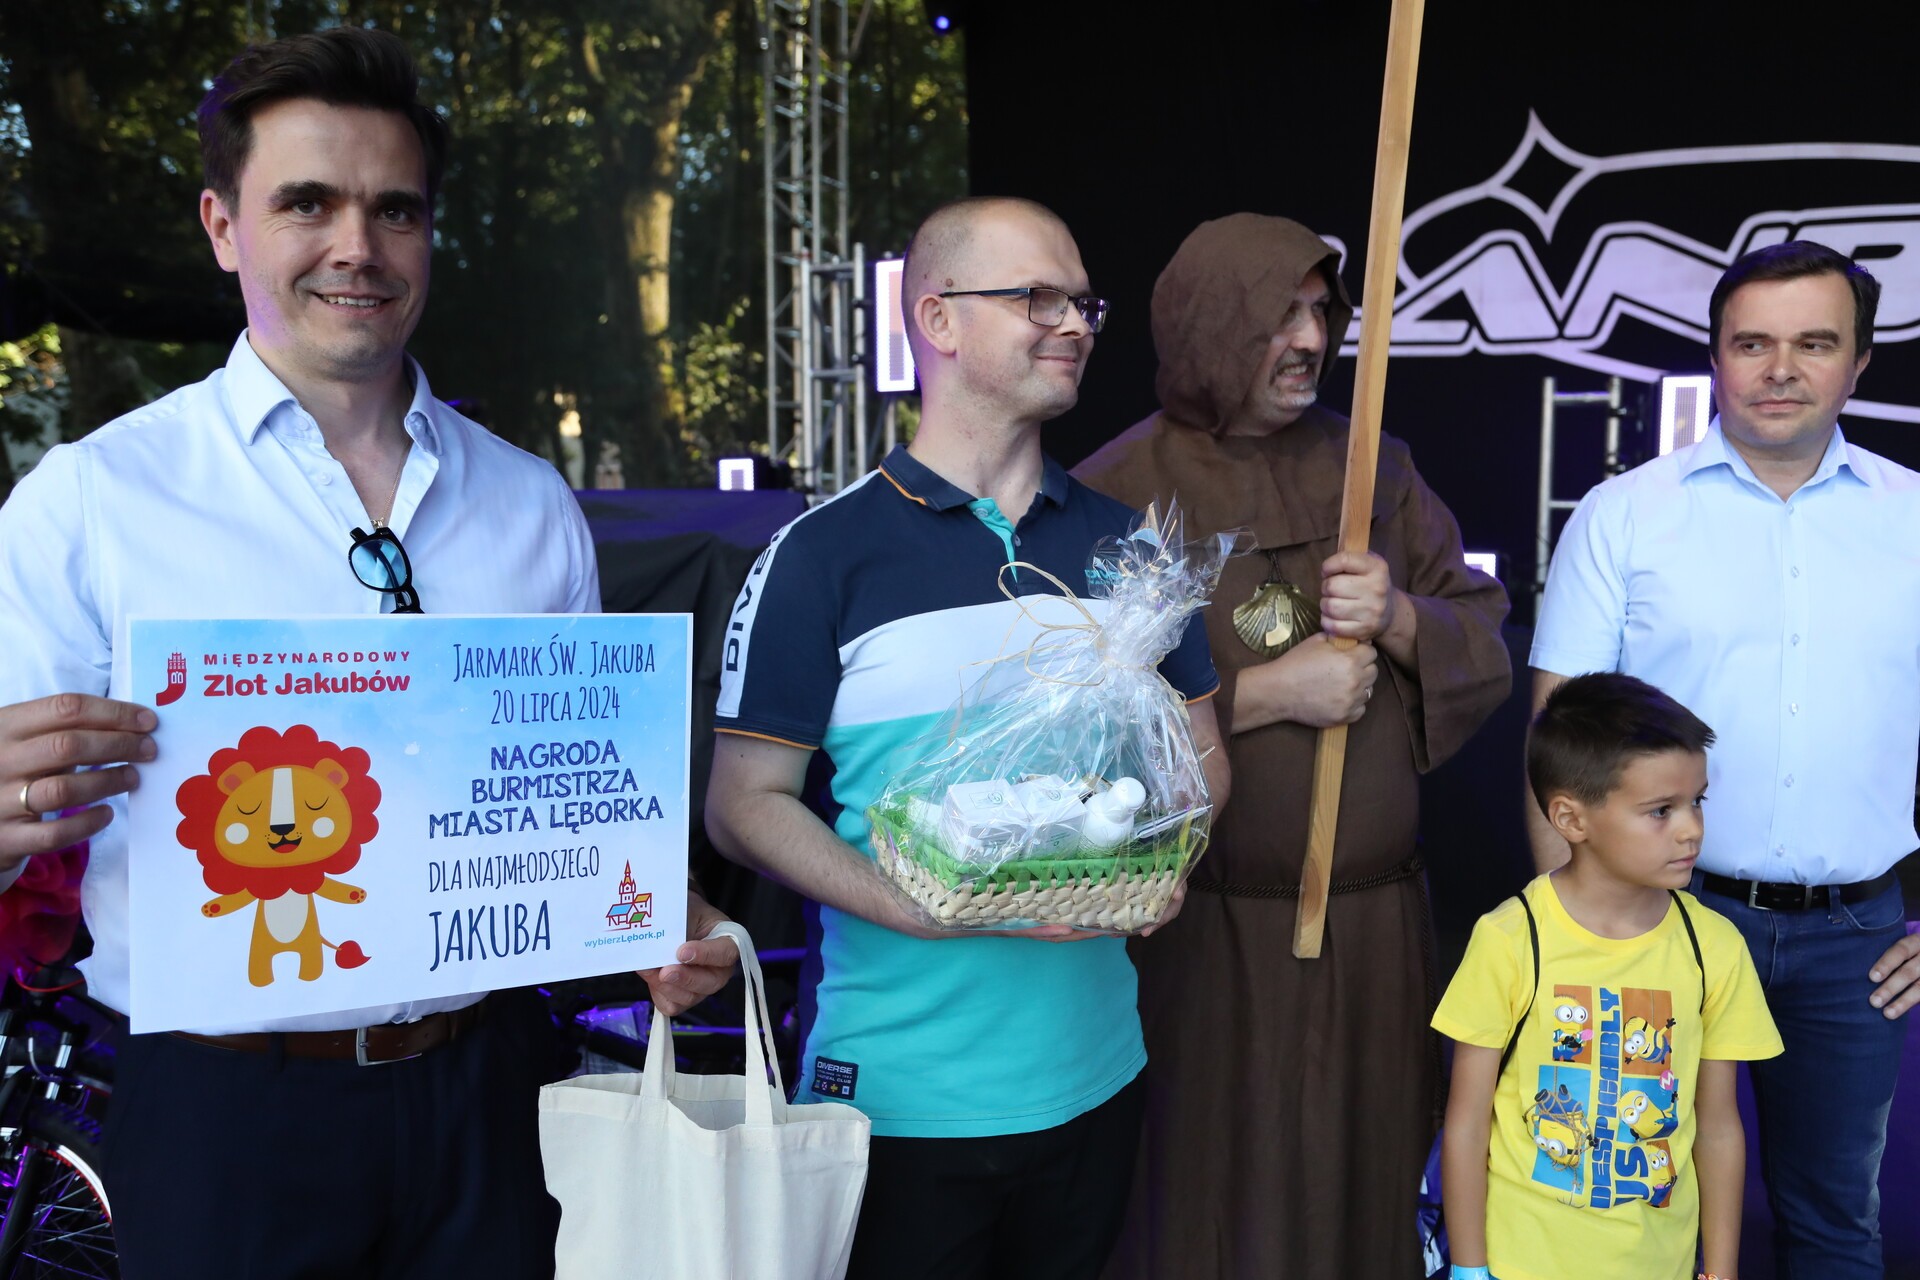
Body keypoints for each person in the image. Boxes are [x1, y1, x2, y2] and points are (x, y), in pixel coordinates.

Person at [0, 28, 736, 1277]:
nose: (358, 244)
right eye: (307, 202)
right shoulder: (93, 498)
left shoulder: (529, 502)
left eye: (396, 209)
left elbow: (568, 807)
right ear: (224, 225)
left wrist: (658, 917)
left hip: (490, 1089)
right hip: (226, 1112)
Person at [704, 195, 1229, 1280]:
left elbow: (1205, 760)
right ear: (937, 320)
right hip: (896, 1096)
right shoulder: (820, 556)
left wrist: (1162, 862)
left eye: (1082, 301)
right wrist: (913, 904)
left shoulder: (1130, 550)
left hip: (1096, 1075)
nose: (1074, 321)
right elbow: (743, 802)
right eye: (1036, 296)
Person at [1073, 212, 1511, 1279]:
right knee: (1206, 1191)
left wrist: (1398, 615)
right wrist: (1266, 693)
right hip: (1198, 937)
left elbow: (1483, 637)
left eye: (1321, 312)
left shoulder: (1375, 468)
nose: (1311, 339)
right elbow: (1073, 724)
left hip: (1371, 931)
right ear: (1211, 326)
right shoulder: (1114, 491)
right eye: (1280, 315)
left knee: (1360, 1184)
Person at [1530, 240, 1920, 1278]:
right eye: (1752, 344)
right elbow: (1559, 744)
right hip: (1659, 919)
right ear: (1715, 356)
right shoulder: (1626, 514)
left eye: (1814, 344)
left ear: (1860, 362)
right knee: (1629, 1207)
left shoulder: (1914, 519)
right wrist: (1571, 937)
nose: (1780, 369)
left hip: (1856, 942)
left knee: (1836, 1225)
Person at [1437, 673, 1780, 1280]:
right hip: (1521, 1264)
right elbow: (1467, 1123)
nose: (1691, 829)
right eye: (1660, 810)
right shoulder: (1511, 939)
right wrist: (1470, 1270)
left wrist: (1720, 1270)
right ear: (1571, 819)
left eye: (1697, 801)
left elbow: (1719, 1128)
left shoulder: (1714, 948)